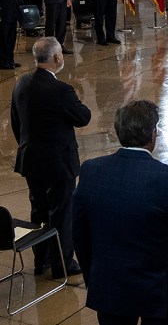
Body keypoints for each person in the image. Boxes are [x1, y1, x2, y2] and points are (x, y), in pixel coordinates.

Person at [73, 100, 168, 325]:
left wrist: (93, 276)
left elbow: (80, 235)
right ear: (152, 134)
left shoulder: (91, 171)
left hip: (109, 286)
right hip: (157, 290)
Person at [11, 37, 91, 279]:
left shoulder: (22, 81)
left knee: (39, 211)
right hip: (58, 164)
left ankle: (41, 261)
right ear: (57, 58)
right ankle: (63, 265)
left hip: (31, 159)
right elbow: (83, 117)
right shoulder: (62, 90)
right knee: (62, 214)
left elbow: (16, 121)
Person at [0, 0, 19, 67]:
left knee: (12, 38)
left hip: (11, 12)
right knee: (3, 39)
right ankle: (3, 62)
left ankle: (10, 60)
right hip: (3, 13)